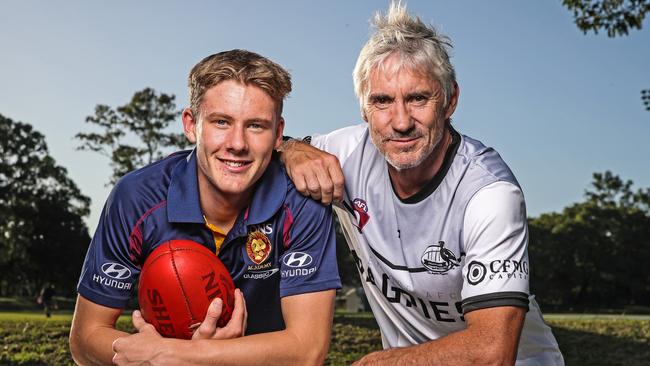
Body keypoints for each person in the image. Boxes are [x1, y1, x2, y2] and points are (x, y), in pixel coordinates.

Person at [279, 3, 564, 365]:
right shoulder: (343, 153)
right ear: (364, 108)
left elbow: (492, 353)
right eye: (382, 101)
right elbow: (261, 148)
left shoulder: (490, 193)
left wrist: (383, 362)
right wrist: (291, 148)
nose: (400, 122)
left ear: (449, 100)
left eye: (417, 98)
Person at [69, 49, 341, 365]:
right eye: (221, 122)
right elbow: (85, 339)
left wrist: (176, 355)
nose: (237, 143)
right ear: (191, 124)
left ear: (278, 133)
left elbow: (306, 351)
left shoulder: (301, 198)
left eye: (256, 126)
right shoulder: (137, 196)